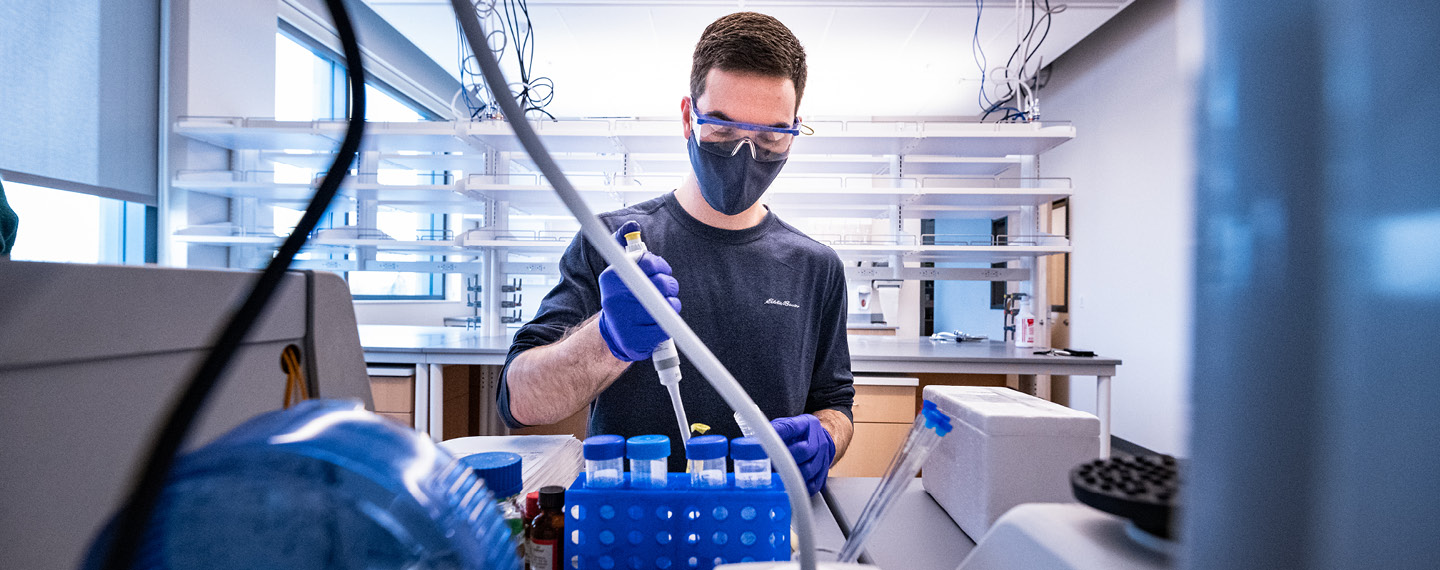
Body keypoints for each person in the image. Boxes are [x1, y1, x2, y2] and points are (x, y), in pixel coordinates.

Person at [497, 12, 852, 495]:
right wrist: (607, 340)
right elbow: (519, 401)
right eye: (723, 130)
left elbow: (835, 403)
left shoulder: (816, 268)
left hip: (760, 521)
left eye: (770, 137)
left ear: (794, 130)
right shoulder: (612, 243)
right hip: (630, 525)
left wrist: (827, 437)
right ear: (688, 117)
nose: (746, 154)